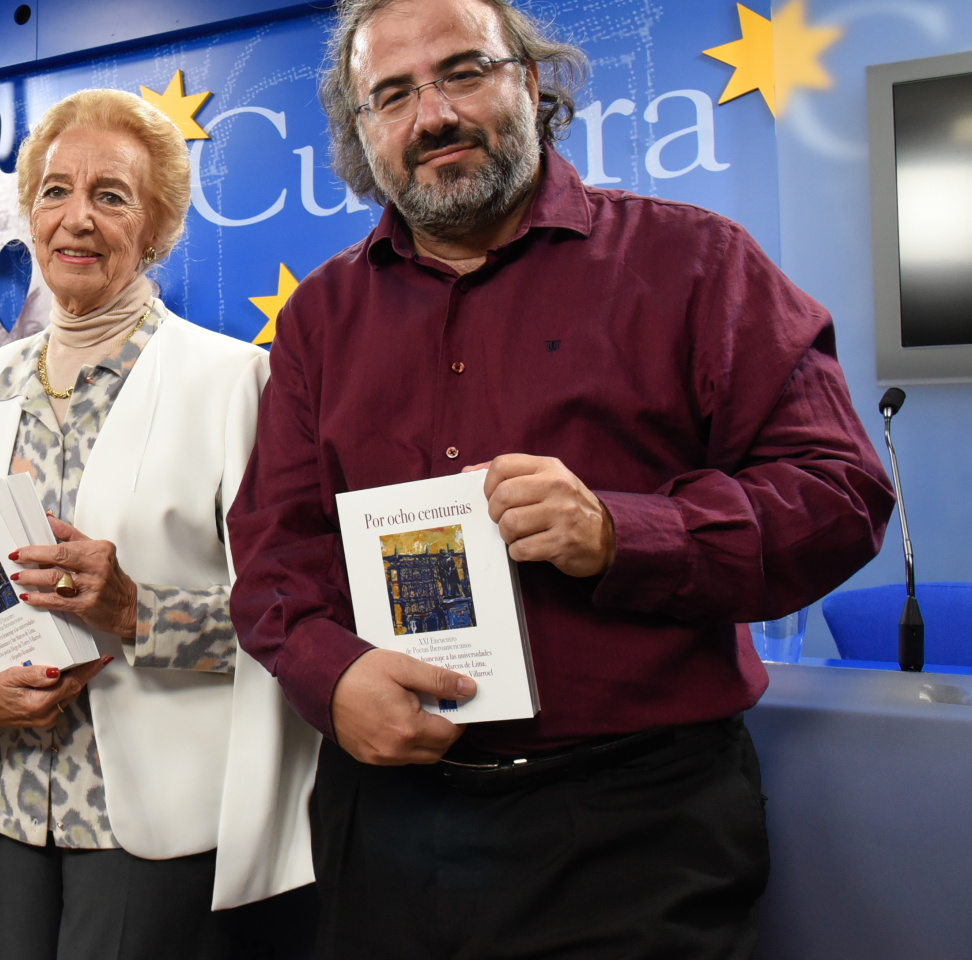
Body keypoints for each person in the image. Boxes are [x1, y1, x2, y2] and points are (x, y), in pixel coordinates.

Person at [226, 1, 896, 958]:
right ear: (361, 129)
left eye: (463, 72)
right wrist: (330, 680)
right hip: (389, 830)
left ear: (531, 83)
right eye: (393, 94)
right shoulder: (320, 321)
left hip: (637, 830)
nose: (434, 116)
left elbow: (840, 494)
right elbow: (275, 553)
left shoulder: (696, 263)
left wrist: (629, 535)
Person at [0, 88, 318, 960]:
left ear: (157, 228)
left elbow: (290, 615)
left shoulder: (231, 383)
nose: (75, 219)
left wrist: (135, 612)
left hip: (147, 816)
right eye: (54, 192)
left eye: (110, 196)